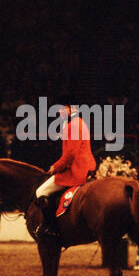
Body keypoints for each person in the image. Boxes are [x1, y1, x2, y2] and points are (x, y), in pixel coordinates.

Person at [35, 98, 96, 238]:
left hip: (76, 170)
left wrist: (55, 167)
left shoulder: (73, 125)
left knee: (41, 191)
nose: (59, 111)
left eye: (62, 108)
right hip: (86, 167)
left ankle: (50, 228)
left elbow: (70, 155)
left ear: (71, 108)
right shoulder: (81, 123)